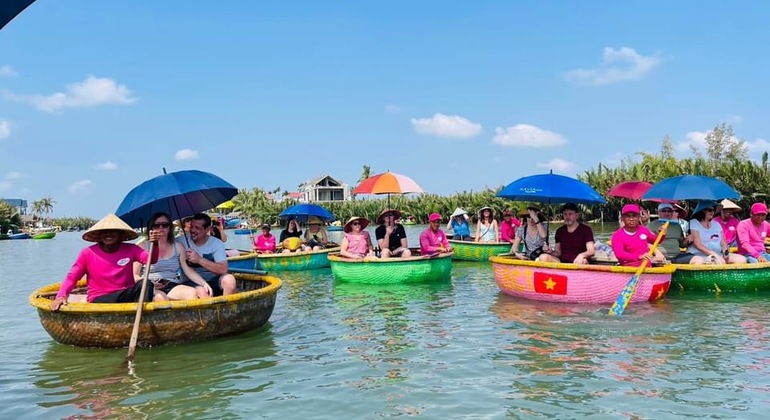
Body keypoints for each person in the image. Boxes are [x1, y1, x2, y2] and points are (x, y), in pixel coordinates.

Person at [51, 213, 168, 310]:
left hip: (125, 294)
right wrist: (61, 295)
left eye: (113, 231)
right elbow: (72, 277)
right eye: (104, 232)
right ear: (99, 235)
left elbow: (151, 260)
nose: (108, 235)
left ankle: (139, 317)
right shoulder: (87, 253)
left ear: (121, 234)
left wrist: (155, 244)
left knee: (146, 284)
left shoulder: (131, 249)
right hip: (100, 298)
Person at [134, 212, 208, 300]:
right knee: (161, 298)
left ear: (170, 227)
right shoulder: (143, 247)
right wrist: (148, 284)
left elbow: (189, 271)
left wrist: (204, 283)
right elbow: (134, 275)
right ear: (151, 228)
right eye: (157, 225)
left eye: (165, 225)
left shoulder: (178, 247)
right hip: (150, 287)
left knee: (191, 293)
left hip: (171, 284)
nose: (161, 228)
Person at [178, 213, 237, 296]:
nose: (193, 230)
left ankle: (227, 308)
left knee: (230, 280)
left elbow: (223, 269)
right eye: (192, 227)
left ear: (207, 229)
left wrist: (199, 260)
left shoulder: (216, 243)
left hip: (214, 280)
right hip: (191, 282)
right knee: (203, 291)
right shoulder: (180, 241)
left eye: (197, 228)